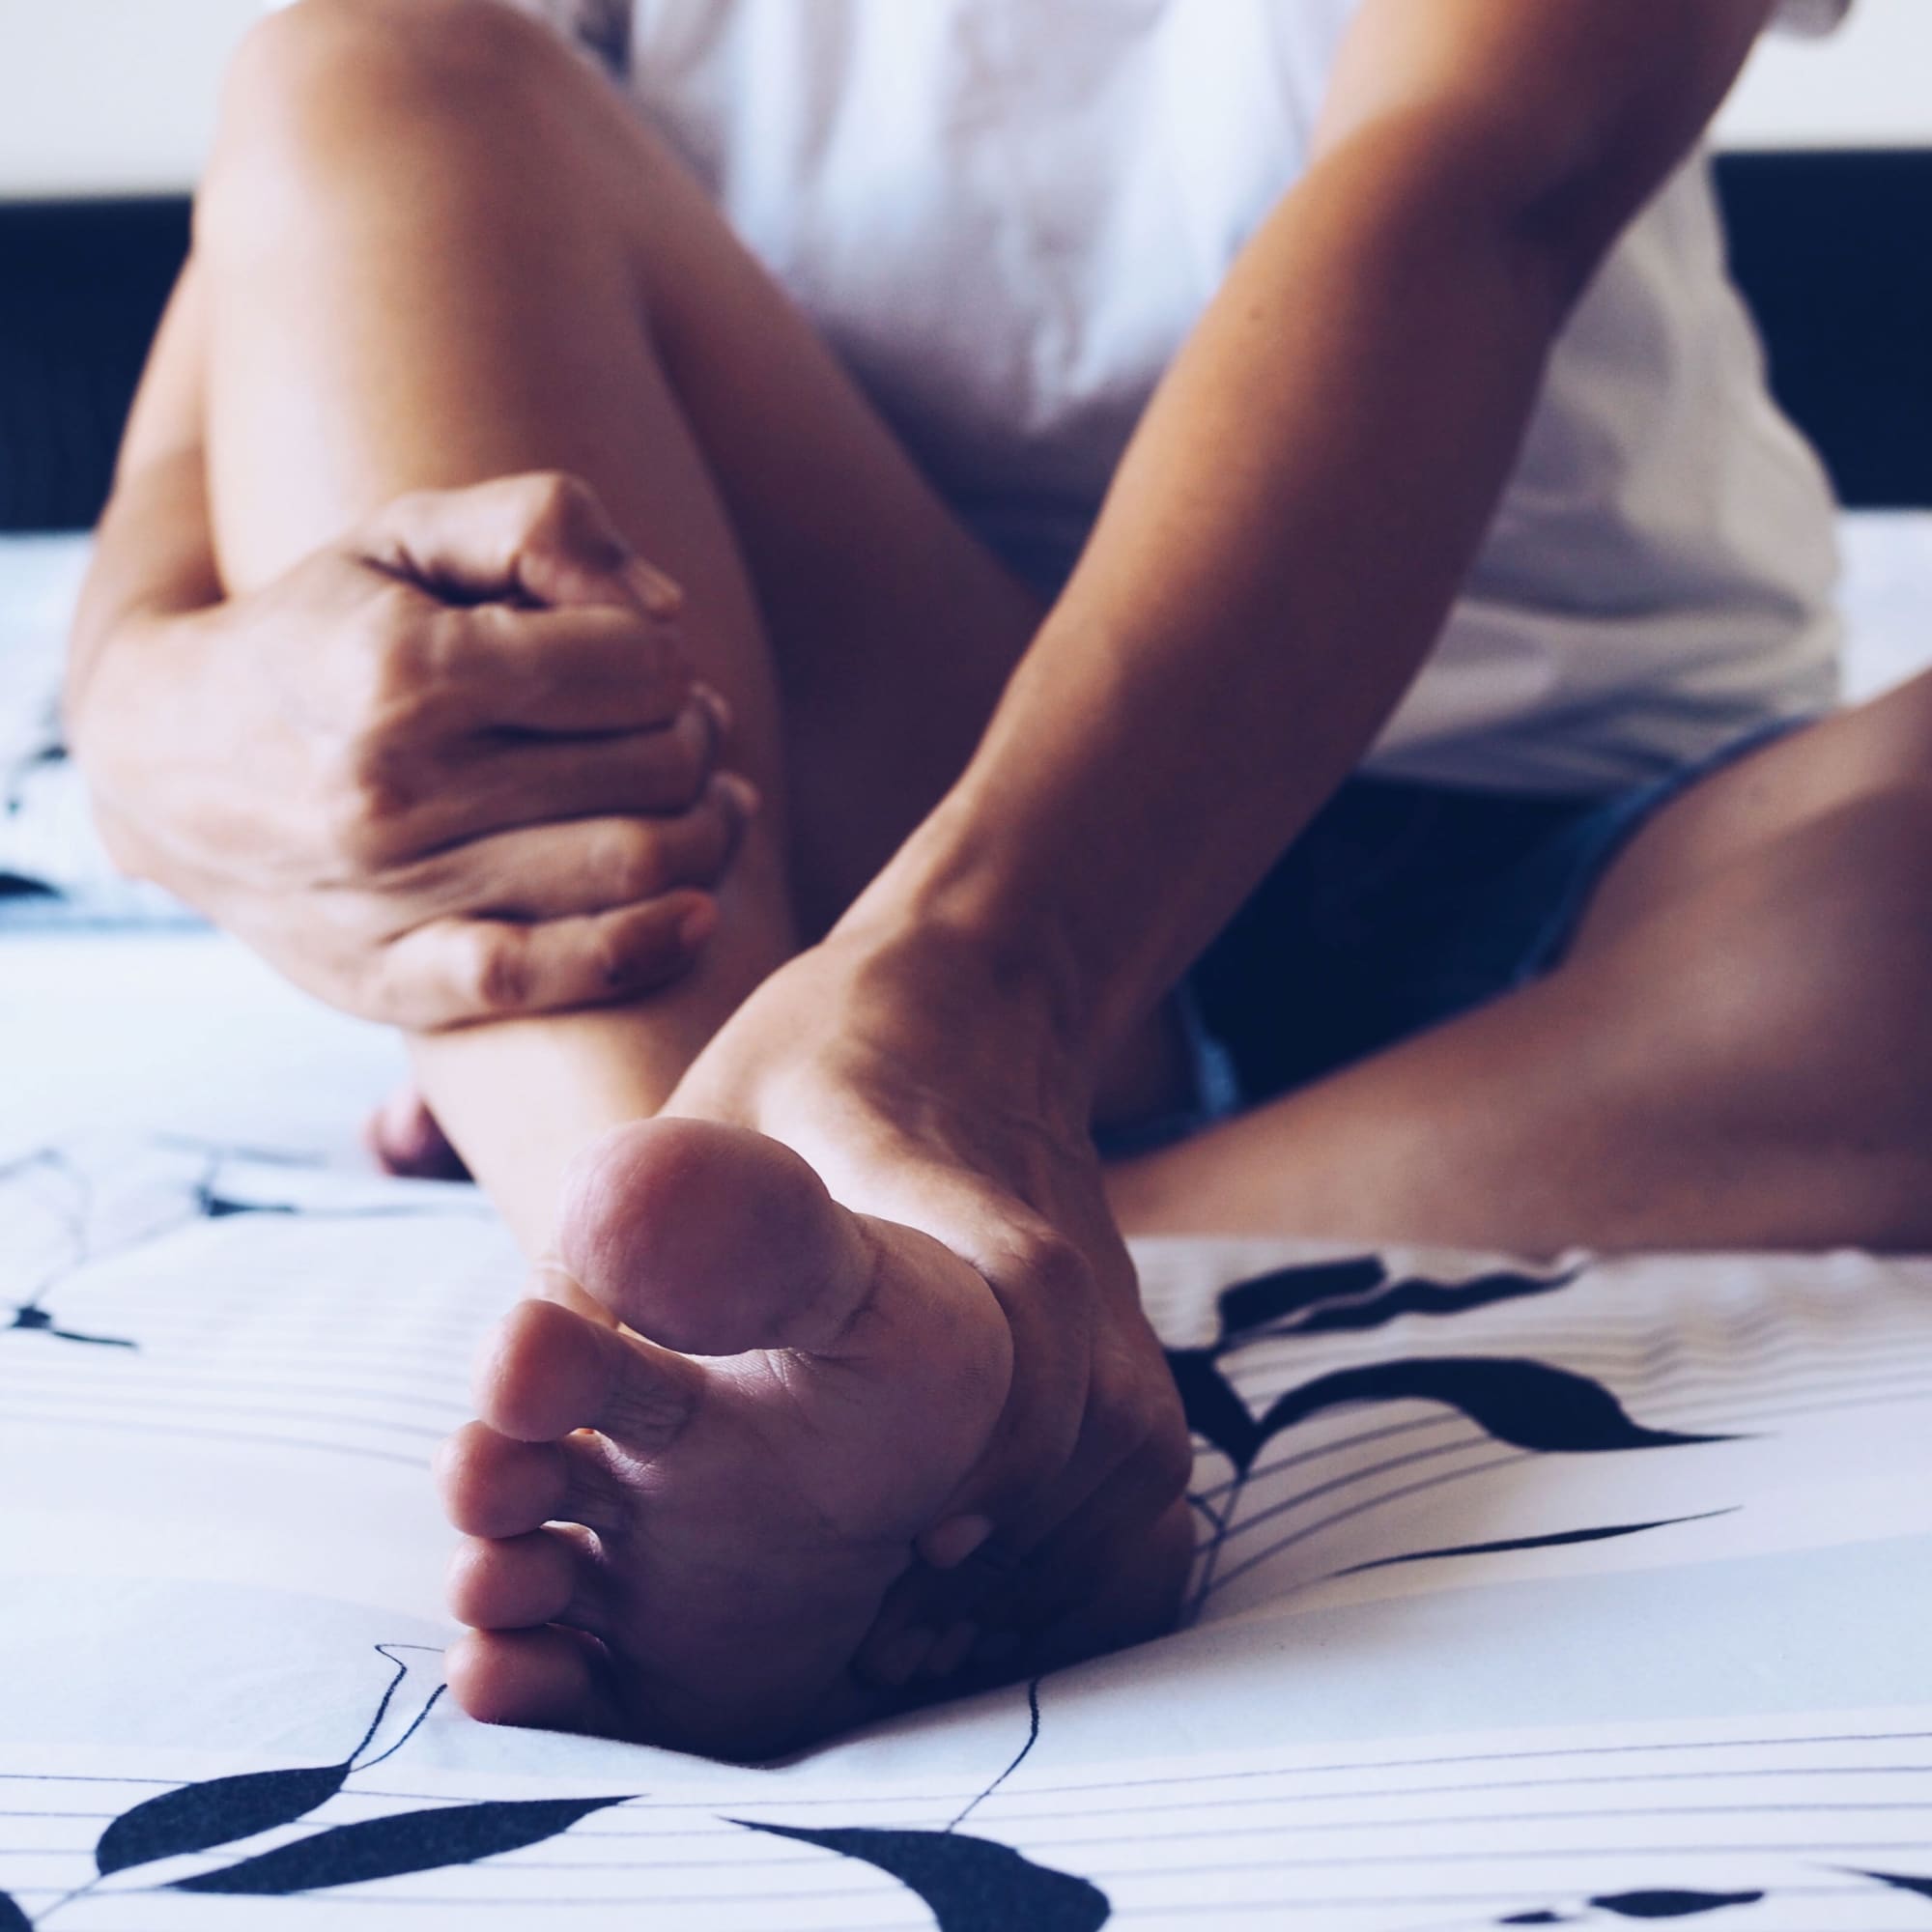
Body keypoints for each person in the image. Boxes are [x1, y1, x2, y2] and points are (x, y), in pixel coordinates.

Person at [66, 0, 1924, 1759]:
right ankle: (743, 1293)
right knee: (371, 65)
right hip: (872, 791)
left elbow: (1478, 189)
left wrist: (968, 999)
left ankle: (874, 1265)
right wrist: (140, 695)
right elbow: (322, 191)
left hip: (1604, 854)